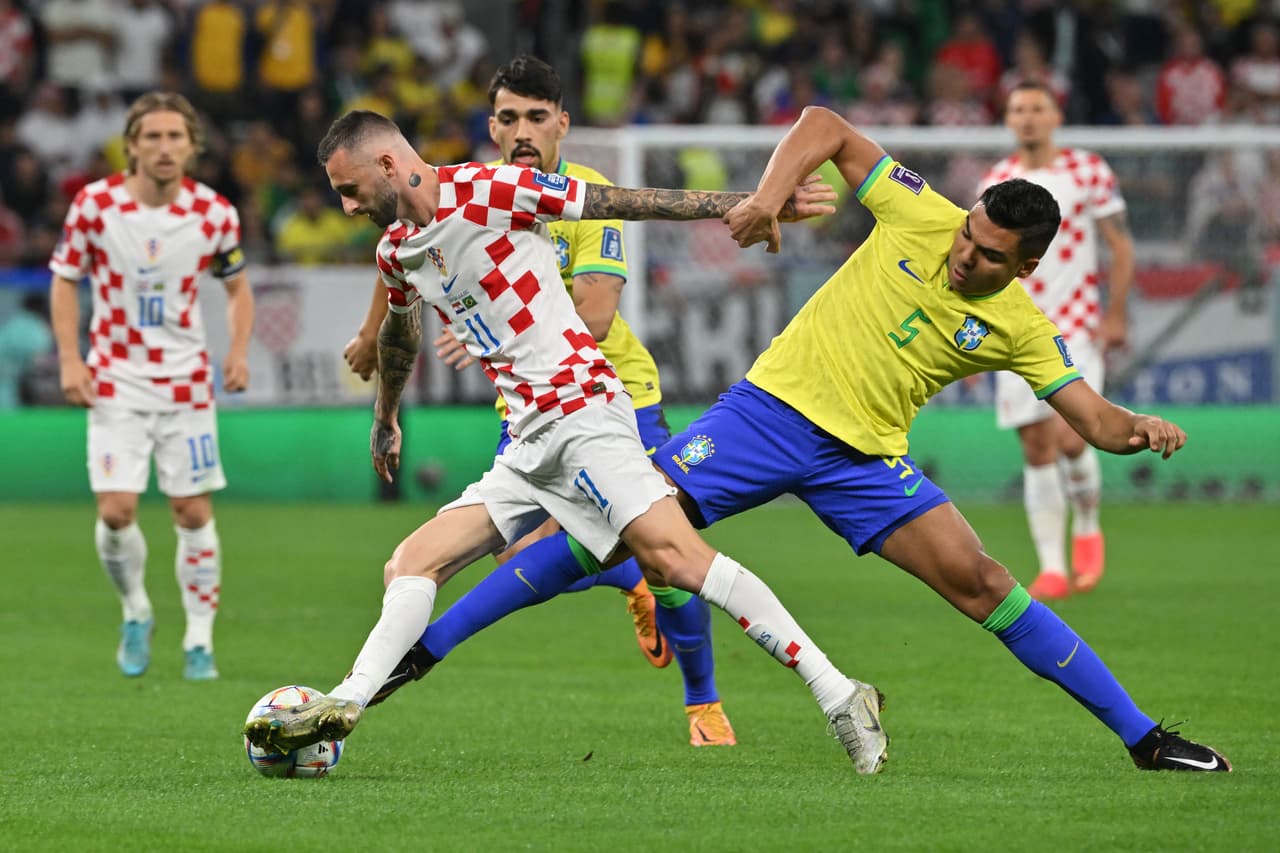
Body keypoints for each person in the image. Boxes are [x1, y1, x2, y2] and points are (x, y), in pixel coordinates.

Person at [370, 106, 1231, 773]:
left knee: (983, 581)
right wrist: (768, 199)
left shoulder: (1020, 326)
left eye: (990, 255)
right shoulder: (920, 212)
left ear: (1026, 266)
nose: (965, 255)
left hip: (864, 461)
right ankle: (422, 652)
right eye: (969, 234)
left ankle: (1145, 738)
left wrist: (1138, 431)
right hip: (767, 416)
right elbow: (823, 127)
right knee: (620, 536)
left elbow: (1092, 417)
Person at [243, 109, 892, 774]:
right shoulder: (396, 250)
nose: (348, 207)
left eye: (350, 190)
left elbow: (624, 202)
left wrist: (753, 203)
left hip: (583, 412)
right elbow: (399, 333)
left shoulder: (491, 191)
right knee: (410, 560)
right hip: (527, 441)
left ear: (386, 165)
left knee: (678, 559)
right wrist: (385, 415)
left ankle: (840, 692)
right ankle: (346, 700)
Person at [341, 56, 736, 746]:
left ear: (562, 122)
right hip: (526, 412)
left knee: (663, 545)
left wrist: (501, 334)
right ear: (491, 126)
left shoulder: (583, 191)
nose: (522, 130)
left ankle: (703, 702)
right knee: (517, 553)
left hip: (615, 394)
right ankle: (630, 581)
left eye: (535, 116)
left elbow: (599, 311)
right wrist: (374, 332)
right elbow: (398, 249)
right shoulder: (471, 195)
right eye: (507, 117)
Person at [49, 92, 254, 681]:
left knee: (191, 511)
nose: (164, 148)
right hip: (114, 377)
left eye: (175, 137)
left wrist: (236, 352)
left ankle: (199, 641)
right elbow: (64, 282)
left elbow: (239, 290)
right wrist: (71, 360)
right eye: (153, 137)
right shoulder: (94, 206)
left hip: (186, 381)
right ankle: (136, 610)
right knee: (116, 512)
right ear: (131, 145)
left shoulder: (215, 214)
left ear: (193, 146)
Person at [977, 80, 1136, 601]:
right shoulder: (998, 179)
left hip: (1075, 324)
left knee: (1072, 436)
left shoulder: (1087, 170)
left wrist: (1115, 314)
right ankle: (1052, 567)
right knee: (1036, 444)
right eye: (1017, 108)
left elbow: (1120, 245)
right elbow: (979, 260)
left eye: (1036, 108)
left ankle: (1087, 525)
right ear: (1007, 119)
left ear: (1055, 115)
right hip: (1012, 327)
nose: (1027, 117)